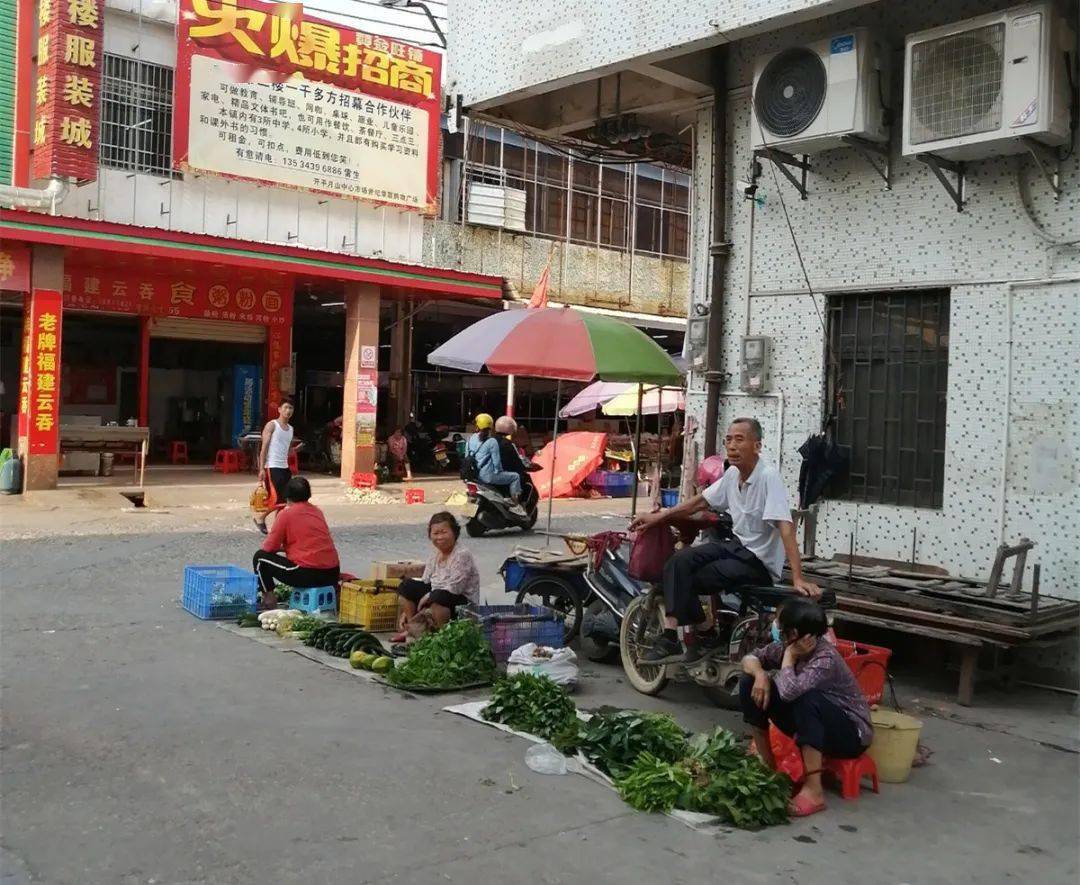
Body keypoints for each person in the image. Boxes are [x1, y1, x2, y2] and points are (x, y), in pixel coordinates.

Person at [629, 417, 821, 664]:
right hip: (735, 547)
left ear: (757, 446)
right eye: (728, 439)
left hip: (757, 563)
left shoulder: (767, 476)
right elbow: (700, 502)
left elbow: (786, 527)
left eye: (740, 439)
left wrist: (797, 577)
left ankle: (705, 631)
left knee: (690, 578)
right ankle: (672, 637)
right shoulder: (732, 475)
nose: (732, 446)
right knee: (678, 562)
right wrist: (659, 517)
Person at [739, 599, 872, 817]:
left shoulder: (824, 658)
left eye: (783, 628)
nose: (777, 630)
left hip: (850, 734)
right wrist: (760, 674)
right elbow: (750, 658)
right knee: (748, 681)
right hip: (815, 725)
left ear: (798, 634)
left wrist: (790, 657)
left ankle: (814, 791)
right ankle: (767, 765)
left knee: (806, 698)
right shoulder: (786, 647)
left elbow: (790, 691)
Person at [252, 476, 340, 609]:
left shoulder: (286, 514)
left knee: (260, 558)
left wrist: (282, 546)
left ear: (287, 496)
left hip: (308, 574)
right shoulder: (317, 512)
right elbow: (310, 543)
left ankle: (269, 598)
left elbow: (269, 548)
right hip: (332, 574)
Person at [392, 511, 480, 641]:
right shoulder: (435, 554)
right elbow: (426, 580)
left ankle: (442, 639)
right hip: (437, 594)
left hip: (461, 602)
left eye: (444, 532)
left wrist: (429, 596)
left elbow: (455, 588)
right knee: (407, 586)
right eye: (435, 533)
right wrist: (411, 606)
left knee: (438, 597)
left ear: (454, 533)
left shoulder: (462, 554)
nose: (440, 537)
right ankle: (413, 630)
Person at [255, 398, 300, 533]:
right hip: (272, 466)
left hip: (284, 467)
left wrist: (296, 450)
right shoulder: (272, 425)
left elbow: (287, 450)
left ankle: (278, 528)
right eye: (285, 407)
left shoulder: (290, 429)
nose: (288, 411)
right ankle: (260, 518)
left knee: (287, 500)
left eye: (291, 408)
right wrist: (261, 469)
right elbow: (264, 448)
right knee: (278, 500)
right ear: (279, 409)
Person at [465, 413, 524, 513]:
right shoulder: (492, 441)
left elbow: (467, 456)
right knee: (515, 477)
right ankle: (515, 504)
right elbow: (497, 463)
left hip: (473, 475)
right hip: (488, 476)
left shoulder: (470, 439)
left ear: (477, 425)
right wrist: (499, 471)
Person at [494, 415, 537, 491]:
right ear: (510, 429)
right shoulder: (508, 444)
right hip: (501, 473)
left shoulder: (490, 441)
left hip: (489, 473)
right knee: (518, 477)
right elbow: (516, 461)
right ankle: (515, 499)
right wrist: (523, 467)